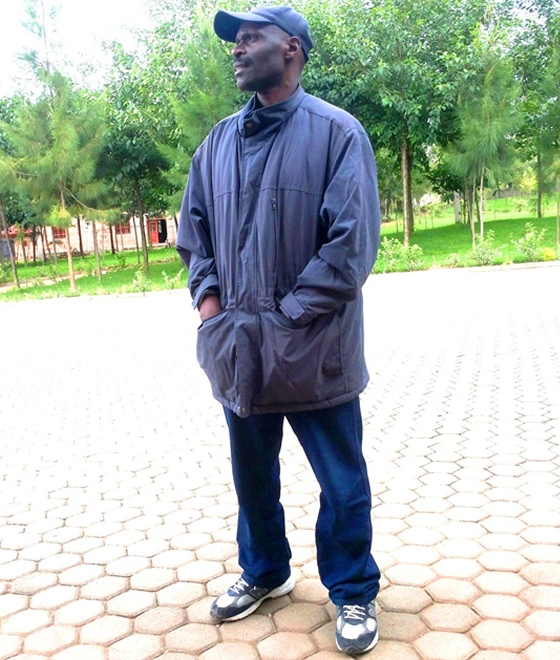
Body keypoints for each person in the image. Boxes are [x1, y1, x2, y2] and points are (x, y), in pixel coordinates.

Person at [176, 5, 382, 656]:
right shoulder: (216, 143)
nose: (237, 50)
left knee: (341, 482)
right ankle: (265, 570)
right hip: (239, 348)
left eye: (250, 38)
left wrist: (287, 317)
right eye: (234, 42)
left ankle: (352, 589)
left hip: (314, 346)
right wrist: (211, 306)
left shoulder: (336, 133)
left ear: (290, 48)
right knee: (252, 477)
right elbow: (193, 232)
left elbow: (351, 246)